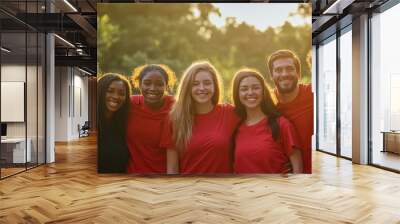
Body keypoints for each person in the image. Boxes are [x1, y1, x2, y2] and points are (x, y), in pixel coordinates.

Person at [162, 61, 240, 174]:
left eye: (207, 83)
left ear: (215, 85)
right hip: (188, 189)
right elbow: (172, 169)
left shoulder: (230, 113)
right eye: (195, 84)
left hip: (222, 189)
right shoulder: (175, 119)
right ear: (187, 87)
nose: (202, 88)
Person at [232, 69, 303, 173]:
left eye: (256, 88)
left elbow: (298, 168)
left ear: (263, 91)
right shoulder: (235, 128)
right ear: (237, 94)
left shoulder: (281, 124)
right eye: (244, 89)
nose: (250, 92)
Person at [267, 49, 313, 173]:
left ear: (298, 73)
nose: (284, 74)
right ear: (271, 75)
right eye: (278, 70)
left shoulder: (312, 94)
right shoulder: (266, 104)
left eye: (289, 68)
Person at [126, 64, 177, 174]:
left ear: (166, 86)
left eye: (159, 84)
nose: (152, 88)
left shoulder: (175, 108)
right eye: (147, 83)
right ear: (139, 84)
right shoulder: (129, 104)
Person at [97, 73, 131, 173]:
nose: (116, 97)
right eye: (110, 91)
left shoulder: (123, 124)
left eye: (121, 93)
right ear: (100, 92)